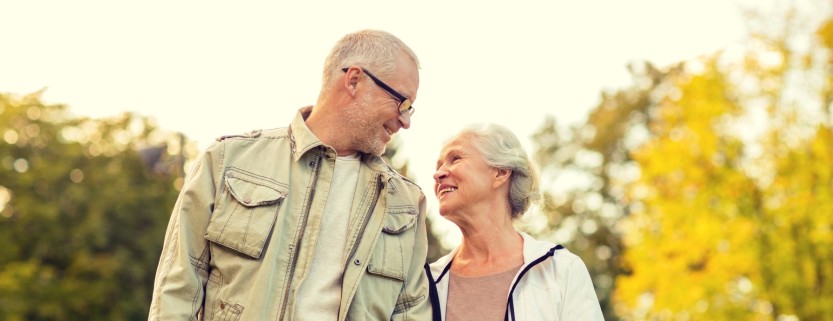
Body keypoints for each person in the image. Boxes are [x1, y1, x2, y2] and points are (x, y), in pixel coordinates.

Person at [148, 29, 432, 321]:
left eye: (411, 109)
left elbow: (411, 313)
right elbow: (177, 290)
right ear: (355, 80)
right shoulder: (227, 162)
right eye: (402, 102)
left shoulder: (407, 204)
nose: (406, 120)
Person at [427, 124, 604, 321]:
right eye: (438, 166)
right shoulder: (426, 284)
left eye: (455, 158)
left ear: (501, 172)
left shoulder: (561, 269)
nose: (438, 174)